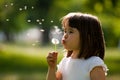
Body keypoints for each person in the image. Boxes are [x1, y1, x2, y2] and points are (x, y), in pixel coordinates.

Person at [46, 12, 108, 80]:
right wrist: (52, 68)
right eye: (65, 31)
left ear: (87, 37)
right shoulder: (65, 62)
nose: (65, 35)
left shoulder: (93, 63)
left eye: (71, 32)